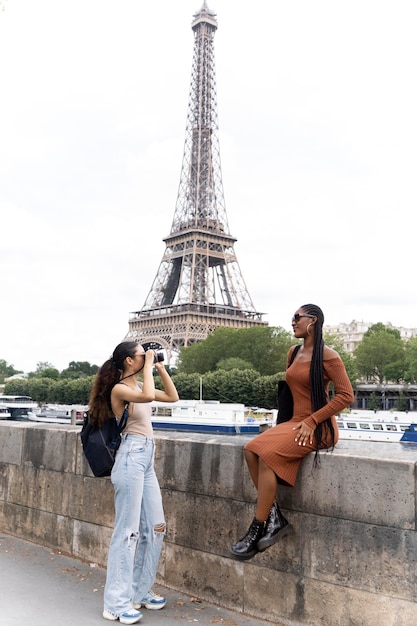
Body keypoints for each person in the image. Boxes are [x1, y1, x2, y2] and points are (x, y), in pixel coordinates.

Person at [230, 304, 354, 560]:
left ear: (313, 321)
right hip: (294, 423)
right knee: (250, 450)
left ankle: (257, 528)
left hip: (318, 428)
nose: (292, 322)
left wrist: (313, 419)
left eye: (297, 318)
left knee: (263, 452)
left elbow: (346, 395)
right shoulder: (293, 352)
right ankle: (274, 517)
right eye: (292, 318)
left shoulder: (329, 356)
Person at [88, 341, 179, 625]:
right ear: (129, 361)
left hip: (146, 458)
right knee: (127, 533)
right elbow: (150, 395)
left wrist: (160, 367)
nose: (146, 357)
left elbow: (172, 397)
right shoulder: (120, 389)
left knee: (156, 527)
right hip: (129, 457)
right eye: (142, 354)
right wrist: (150, 366)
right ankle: (115, 603)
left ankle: (140, 591)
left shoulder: (139, 385)